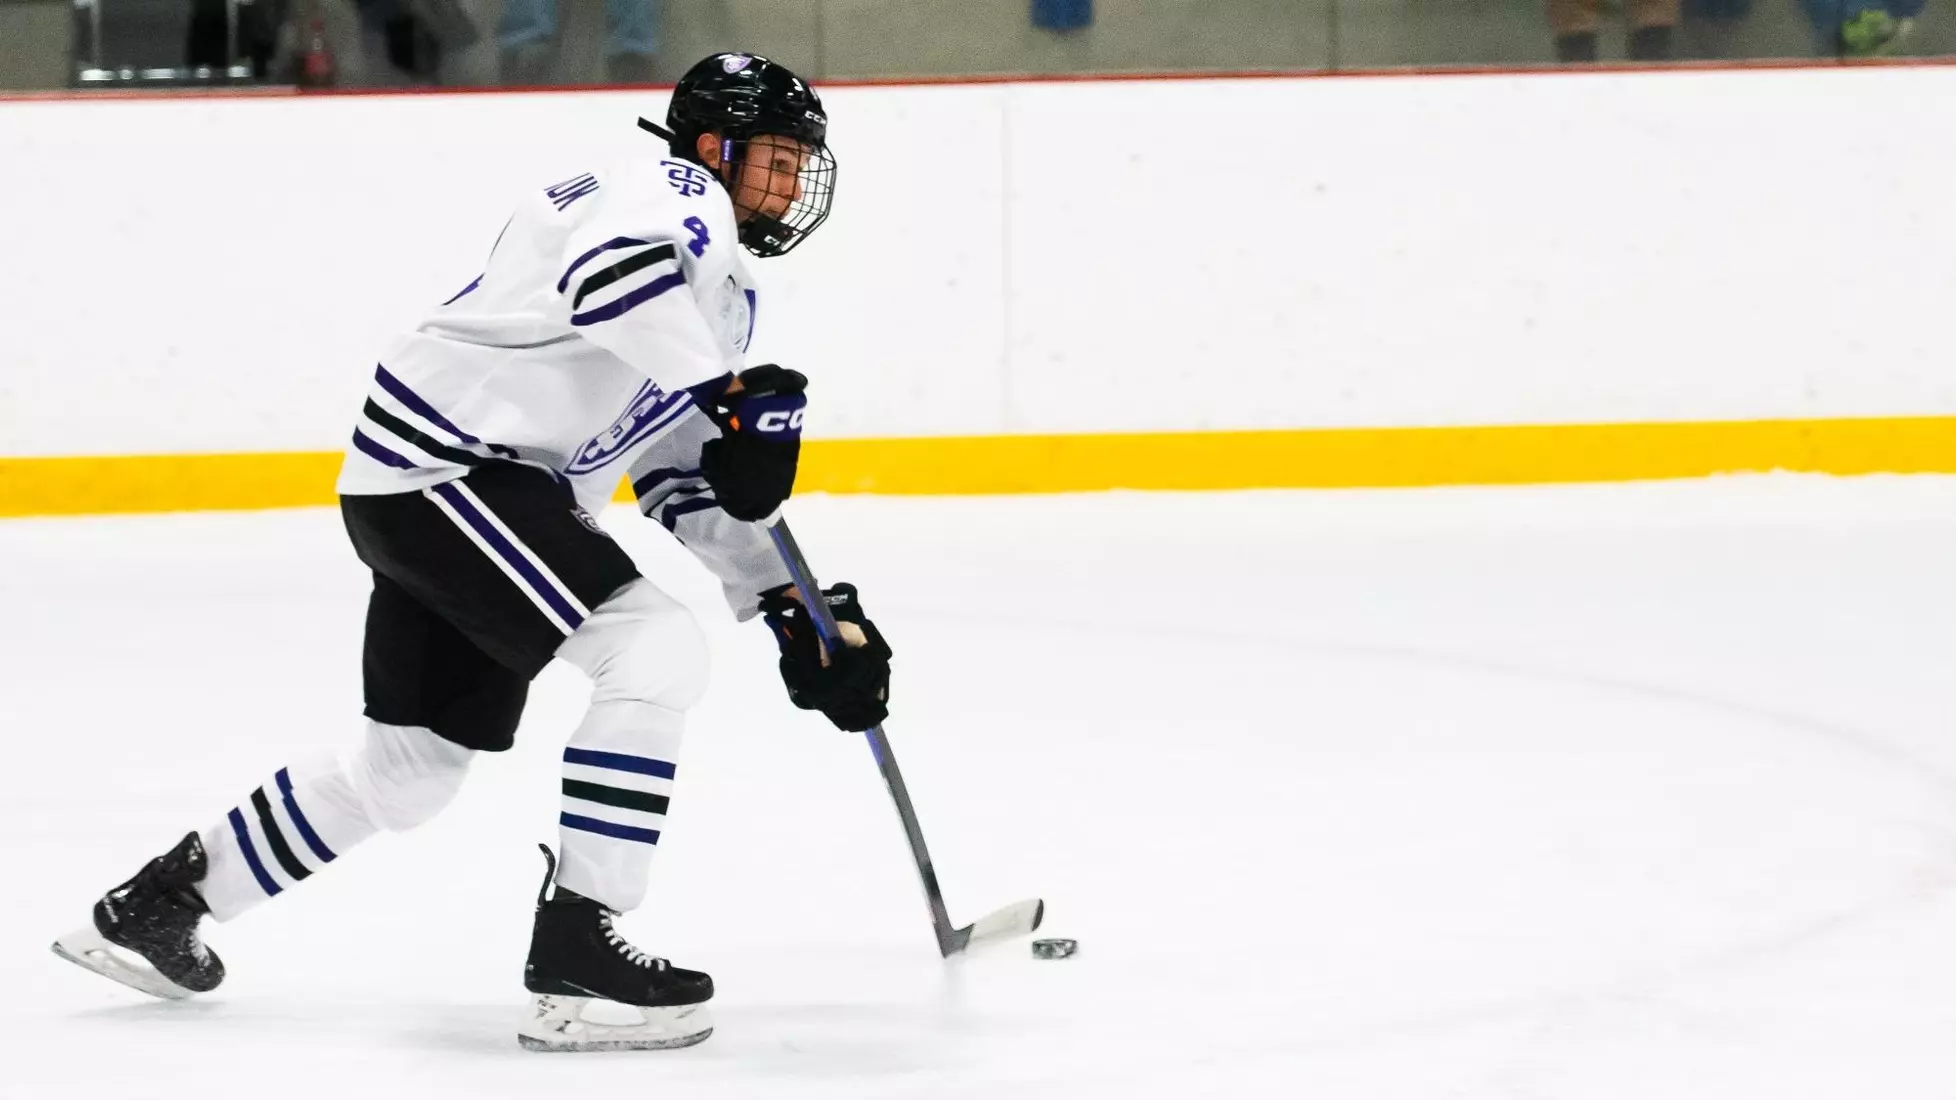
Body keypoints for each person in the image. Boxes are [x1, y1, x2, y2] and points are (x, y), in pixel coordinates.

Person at [49, 52, 891, 1055]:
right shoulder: (668, 189)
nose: (789, 188)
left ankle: (158, 907)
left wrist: (793, 602)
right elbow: (609, 284)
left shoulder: (714, 293)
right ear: (714, 146)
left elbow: (684, 471)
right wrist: (731, 396)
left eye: (798, 169)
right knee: (654, 648)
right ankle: (579, 955)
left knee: (409, 770)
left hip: (430, 487)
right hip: (455, 470)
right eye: (777, 162)